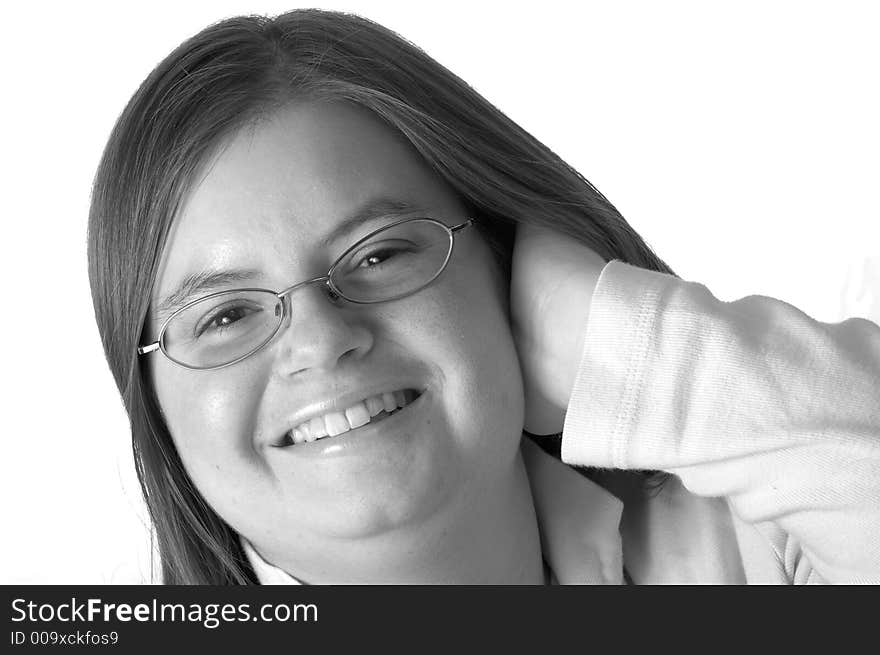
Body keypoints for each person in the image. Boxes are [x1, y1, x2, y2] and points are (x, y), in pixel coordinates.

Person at [87, 9, 880, 584]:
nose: (320, 340)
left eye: (381, 253)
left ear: (502, 265)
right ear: (154, 407)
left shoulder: (760, 544)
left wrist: (607, 337)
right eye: (225, 315)